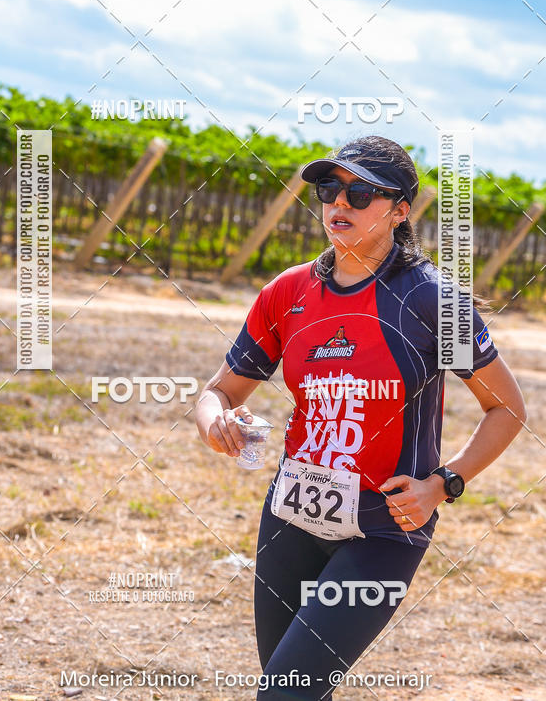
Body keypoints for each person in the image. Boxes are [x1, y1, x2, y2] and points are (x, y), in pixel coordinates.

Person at [194, 135, 526, 700]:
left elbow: (507, 409)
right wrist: (217, 422)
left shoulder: (431, 301)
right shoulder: (287, 292)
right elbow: (216, 393)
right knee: (294, 690)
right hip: (291, 518)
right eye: (330, 188)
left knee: (286, 694)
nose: (339, 203)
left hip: (384, 530)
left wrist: (444, 484)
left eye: (361, 192)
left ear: (400, 211)